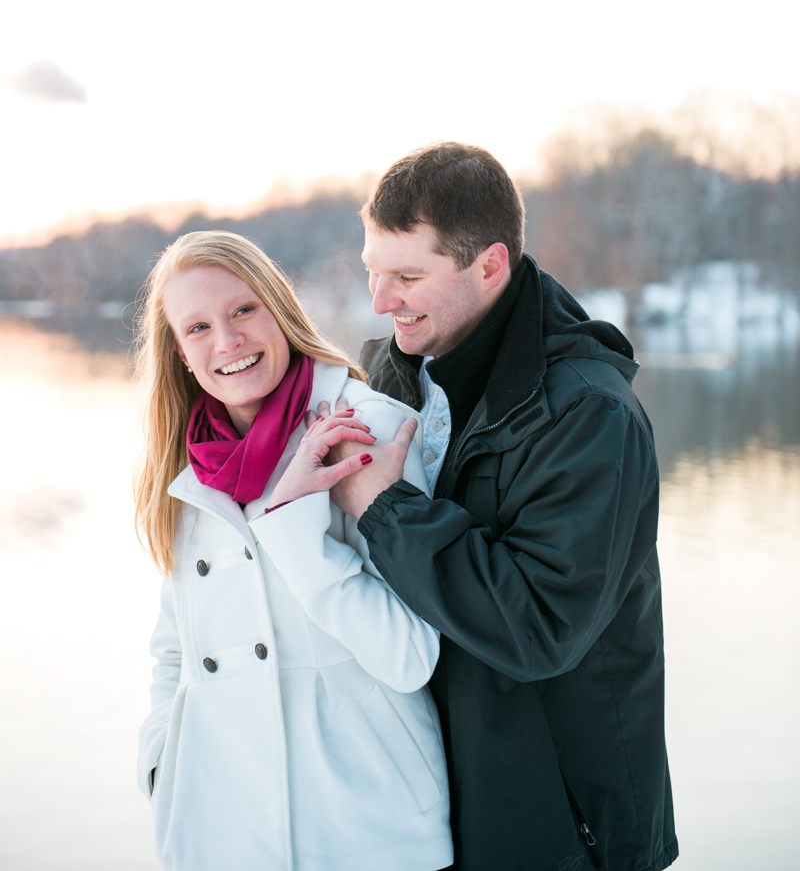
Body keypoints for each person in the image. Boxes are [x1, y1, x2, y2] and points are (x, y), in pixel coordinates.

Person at [328, 142, 678, 871]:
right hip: (428, 819)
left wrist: (386, 510)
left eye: (407, 276)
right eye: (372, 271)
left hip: (565, 835)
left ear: (489, 265)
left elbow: (540, 625)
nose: (379, 299)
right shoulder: (388, 377)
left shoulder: (588, 414)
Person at [134, 230, 453, 871]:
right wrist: (161, 764)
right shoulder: (189, 459)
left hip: (363, 828)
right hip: (218, 829)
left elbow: (410, 656)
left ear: (279, 308)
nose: (226, 343)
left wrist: (290, 525)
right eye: (197, 327)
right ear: (179, 351)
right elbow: (176, 647)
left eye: (243, 310)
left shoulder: (366, 430)